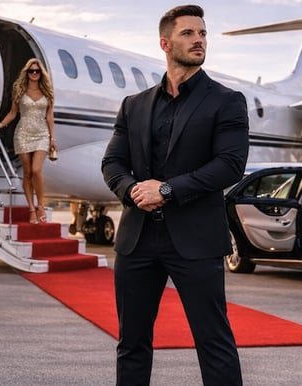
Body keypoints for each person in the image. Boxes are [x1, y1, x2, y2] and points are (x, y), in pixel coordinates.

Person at [101, 5, 249, 385]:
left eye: (202, 33)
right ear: (166, 43)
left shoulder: (226, 100)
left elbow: (229, 165)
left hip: (196, 241)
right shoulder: (134, 105)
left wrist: (166, 190)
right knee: (131, 343)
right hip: (137, 241)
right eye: (188, 33)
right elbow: (112, 163)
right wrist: (133, 192)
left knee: (213, 343)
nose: (199, 39)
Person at [0, 58, 56, 224]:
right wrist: (1, 124)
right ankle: (31, 209)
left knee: (36, 170)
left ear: (41, 73)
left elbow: (49, 117)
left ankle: (40, 205)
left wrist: (52, 138)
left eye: (37, 71)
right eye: (31, 71)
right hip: (23, 134)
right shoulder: (19, 90)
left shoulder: (47, 92)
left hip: (42, 133)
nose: (34, 74)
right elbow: (13, 113)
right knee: (27, 173)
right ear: (26, 73)